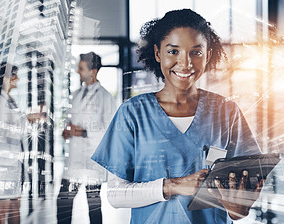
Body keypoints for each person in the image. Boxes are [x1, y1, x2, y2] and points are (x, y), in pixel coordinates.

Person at [91, 9, 263, 224]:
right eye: (173, 51)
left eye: (196, 52)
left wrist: (239, 209)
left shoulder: (227, 112)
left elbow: (242, 194)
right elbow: (115, 195)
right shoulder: (133, 113)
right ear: (157, 53)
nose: (185, 63)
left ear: (208, 55)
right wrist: (174, 185)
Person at [57, 52, 117, 224]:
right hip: (74, 160)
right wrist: (67, 131)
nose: (77, 71)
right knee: (63, 203)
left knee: (93, 206)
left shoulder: (106, 98)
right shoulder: (75, 95)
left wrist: (83, 132)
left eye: (81, 68)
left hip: (92, 160)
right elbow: (70, 121)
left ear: (93, 71)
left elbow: (109, 131)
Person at [0, 63, 42, 224]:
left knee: (15, 206)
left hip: (13, 163)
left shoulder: (8, 100)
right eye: (15, 75)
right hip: (3, 164)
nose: (18, 79)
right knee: (2, 210)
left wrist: (27, 119)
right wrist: (25, 120)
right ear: (6, 78)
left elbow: (15, 125)